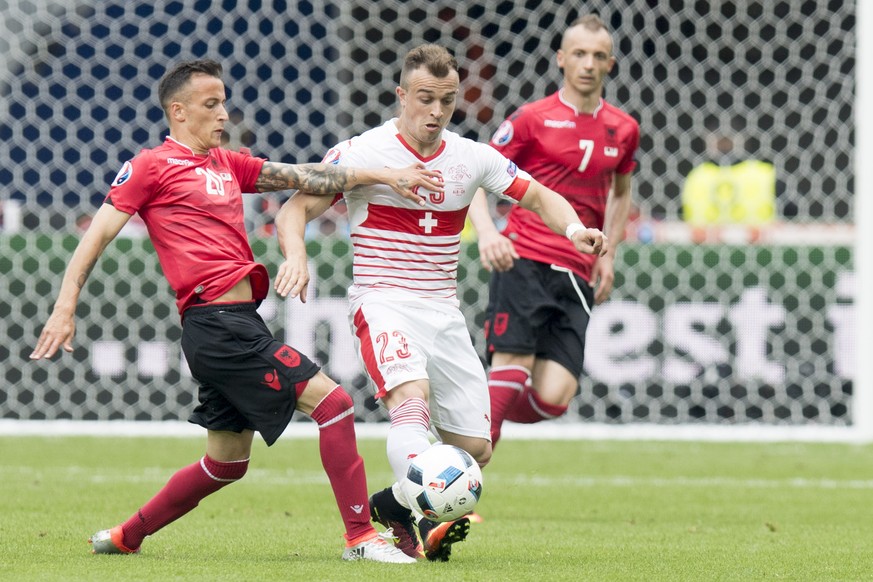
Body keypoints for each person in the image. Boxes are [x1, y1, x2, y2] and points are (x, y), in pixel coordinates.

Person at [29, 58, 446, 564]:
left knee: (226, 464)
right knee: (334, 405)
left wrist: (381, 174)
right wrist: (64, 307)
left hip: (239, 322)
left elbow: (306, 176)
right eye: (211, 104)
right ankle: (360, 537)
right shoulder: (149, 167)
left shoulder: (229, 164)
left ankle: (125, 536)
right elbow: (95, 235)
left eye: (224, 102)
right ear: (178, 112)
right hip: (216, 326)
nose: (224, 114)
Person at [273, 44, 608, 561]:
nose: (435, 112)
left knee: (476, 449)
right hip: (383, 300)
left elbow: (539, 195)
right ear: (402, 95)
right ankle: (386, 530)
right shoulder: (362, 151)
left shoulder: (470, 157)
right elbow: (294, 209)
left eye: (446, 101)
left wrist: (574, 227)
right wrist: (296, 256)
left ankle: (395, 506)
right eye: (425, 99)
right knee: (411, 403)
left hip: (442, 311)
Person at [467, 15, 640, 446]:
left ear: (610, 64)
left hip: (579, 268)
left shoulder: (624, 129)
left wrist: (611, 255)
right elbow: (473, 175)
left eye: (598, 56)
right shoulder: (531, 119)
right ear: (561, 59)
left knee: (555, 395)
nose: (588, 64)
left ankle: (470, 408)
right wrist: (488, 232)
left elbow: (621, 192)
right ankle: (455, 477)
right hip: (524, 255)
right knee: (513, 362)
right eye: (579, 54)